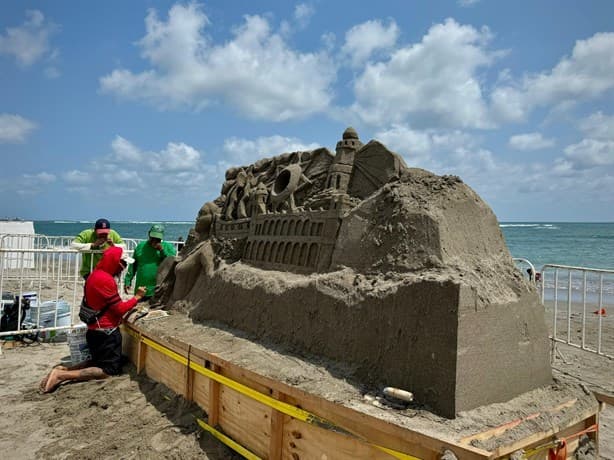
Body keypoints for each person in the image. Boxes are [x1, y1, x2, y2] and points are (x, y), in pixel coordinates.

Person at [39, 246, 146, 393]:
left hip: (95, 329)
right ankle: (62, 375)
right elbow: (119, 309)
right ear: (115, 262)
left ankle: (63, 369)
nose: (124, 268)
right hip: (106, 331)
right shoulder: (106, 280)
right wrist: (137, 297)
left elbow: (105, 304)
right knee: (109, 371)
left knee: (98, 361)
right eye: (123, 264)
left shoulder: (94, 275)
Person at [124, 224, 176, 302]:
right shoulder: (140, 247)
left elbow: (171, 263)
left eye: (157, 238)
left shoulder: (168, 247)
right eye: (153, 238)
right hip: (141, 289)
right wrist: (128, 281)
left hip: (158, 290)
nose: (154, 240)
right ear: (149, 234)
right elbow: (133, 265)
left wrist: (162, 251)